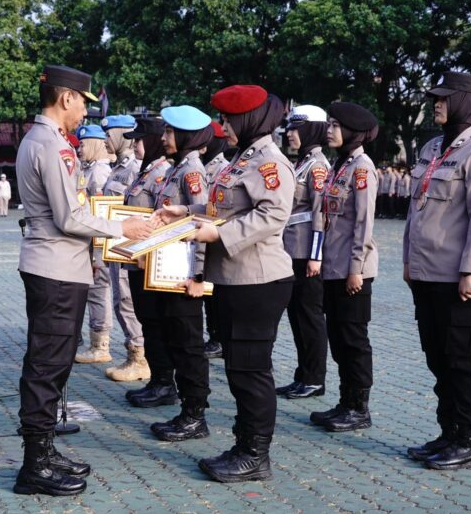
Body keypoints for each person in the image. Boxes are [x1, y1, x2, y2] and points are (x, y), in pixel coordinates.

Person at [14, 64, 152, 496]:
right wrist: (122, 229)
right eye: (82, 105)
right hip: (55, 268)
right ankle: (34, 465)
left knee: (52, 364)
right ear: (66, 98)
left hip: (57, 265)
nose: (84, 115)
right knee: (46, 366)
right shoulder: (53, 146)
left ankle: (45, 451)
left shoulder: (44, 140)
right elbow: (68, 215)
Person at [158, 85, 295, 482]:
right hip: (235, 280)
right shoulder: (240, 161)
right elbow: (224, 206)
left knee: (251, 371)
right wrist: (186, 210)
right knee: (239, 369)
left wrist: (217, 236)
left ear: (249, 119)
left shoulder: (270, 163)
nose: (222, 127)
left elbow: (271, 215)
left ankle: (255, 456)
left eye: (229, 119)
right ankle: (244, 445)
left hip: (258, 280)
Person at [404, 71, 471, 470]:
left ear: (467, 102)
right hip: (429, 273)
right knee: (438, 358)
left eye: (444, 98)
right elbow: (417, 208)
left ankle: (468, 441)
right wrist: (410, 262)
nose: (437, 103)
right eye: (436, 97)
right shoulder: (432, 147)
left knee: (464, 360)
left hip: (466, 277)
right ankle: (448, 433)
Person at [310, 101, 379, 433]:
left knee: (353, 338)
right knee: (338, 336)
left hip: (353, 269)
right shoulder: (341, 166)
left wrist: (356, 269)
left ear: (352, 131)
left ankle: (359, 407)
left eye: (336, 125)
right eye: (330, 124)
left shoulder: (362, 168)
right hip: (334, 266)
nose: (330, 130)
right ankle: (345, 401)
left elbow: (363, 225)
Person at [145, 105, 212, 442]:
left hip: (184, 275)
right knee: (176, 340)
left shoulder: (192, 173)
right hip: (167, 272)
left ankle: (195, 415)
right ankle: (186, 410)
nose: (163, 138)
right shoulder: (176, 169)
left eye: (170, 132)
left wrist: (198, 276)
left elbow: (204, 223)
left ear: (185, 135)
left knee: (188, 344)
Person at [118, 117, 176, 405]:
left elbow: (162, 221)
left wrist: (148, 254)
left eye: (138, 140)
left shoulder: (162, 173)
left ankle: (165, 383)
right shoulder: (146, 172)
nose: (134, 145)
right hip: (135, 260)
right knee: (147, 321)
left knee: (155, 322)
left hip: (150, 263)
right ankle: (157, 379)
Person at [275, 104, 330, 400]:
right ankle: (302, 375)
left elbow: (321, 212)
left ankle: (314, 378)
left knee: (309, 317)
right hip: (292, 250)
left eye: (296, 129)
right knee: (297, 316)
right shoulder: (301, 163)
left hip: (307, 253)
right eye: (290, 128)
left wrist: (316, 255)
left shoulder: (317, 166)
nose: (290, 134)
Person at [100, 114, 147, 382]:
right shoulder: (118, 168)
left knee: (127, 302)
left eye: (110, 135)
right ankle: (135, 353)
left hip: (129, 246)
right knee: (120, 302)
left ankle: (139, 357)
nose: (106, 140)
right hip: (115, 243)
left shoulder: (134, 168)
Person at [74, 124, 115, 364]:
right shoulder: (90, 169)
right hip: (92, 240)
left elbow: (100, 210)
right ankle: (95, 342)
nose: (80, 149)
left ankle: (100, 345)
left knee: (98, 291)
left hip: (99, 241)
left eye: (83, 144)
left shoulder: (99, 172)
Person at [200, 121, 231, 360]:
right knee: (208, 294)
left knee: (215, 295)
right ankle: (215, 335)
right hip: (203, 235)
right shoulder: (204, 165)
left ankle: (218, 337)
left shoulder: (223, 168)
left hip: (219, 236)